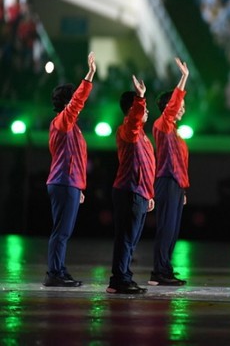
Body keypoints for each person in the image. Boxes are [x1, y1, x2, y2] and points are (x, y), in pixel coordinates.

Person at [43, 52, 96, 287]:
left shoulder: (70, 126)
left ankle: (59, 270)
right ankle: (54, 273)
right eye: (73, 98)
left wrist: (79, 186)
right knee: (61, 231)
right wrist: (90, 75)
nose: (77, 102)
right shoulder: (62, 122)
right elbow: (76, 104)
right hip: (63, 182)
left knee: (64, 230)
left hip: (69, 183)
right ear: (67, 103)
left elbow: (76, 158)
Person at [107, 75, 155, 294]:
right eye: (143, 108)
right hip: (129, 191)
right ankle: (118, 280)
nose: (147, 111)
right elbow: (135, 120)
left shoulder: (141, 135)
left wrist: (149, 194)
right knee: (126, 238)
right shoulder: (128, 129)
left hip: (140, 193)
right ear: (132, 109)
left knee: (131, 239)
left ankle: (124, 276)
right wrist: (140, 97)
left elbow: (146, 167)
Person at [149, 58, 189, 287]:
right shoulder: (161, 125)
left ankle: (165, 269)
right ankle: (158, 271)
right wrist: (184, 78)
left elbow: (181, 163)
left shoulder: (175, 132)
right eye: (179, 104)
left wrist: (183, 188)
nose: (182, 108)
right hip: (166, 181)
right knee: (165, 227)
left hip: (176, 184)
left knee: (173, 229)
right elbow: (174, 106)